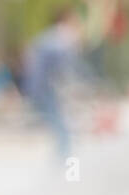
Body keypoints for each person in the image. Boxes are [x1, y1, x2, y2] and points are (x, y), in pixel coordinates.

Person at [23, 7, 85, 157]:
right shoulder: (60, 39)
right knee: (65, 132)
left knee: (62, 131)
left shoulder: (48, 38)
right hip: (46, 91)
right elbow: (67, 71)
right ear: (66, 21)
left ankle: (63, 169)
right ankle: (67, 173)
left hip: (41, 89)